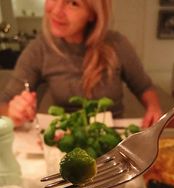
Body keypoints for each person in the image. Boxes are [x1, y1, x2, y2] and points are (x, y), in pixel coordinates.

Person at [0, 0, 162, 128]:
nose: (56, 11)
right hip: (65, 138)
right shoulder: (39, 49)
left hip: (112, 140)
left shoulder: (117, 44)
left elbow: (143, 87)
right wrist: (13, 112)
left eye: (73, 3)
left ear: (92, 14)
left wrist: (153, 108)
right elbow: (4, 104)